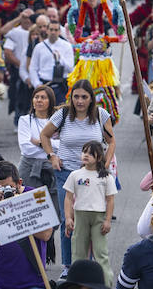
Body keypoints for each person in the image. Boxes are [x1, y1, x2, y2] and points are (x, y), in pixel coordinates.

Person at [40, 79, 115, 272]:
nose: (80, 101)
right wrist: (52, 156)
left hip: (92, 175)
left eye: (84, 97)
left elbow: (111, 141)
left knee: (87, 218)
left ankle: (85, 263)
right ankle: (68, 265)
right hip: (66, 173)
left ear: (91, 99)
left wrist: (104, 166)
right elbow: (44, 135)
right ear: (71, 98)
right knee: (68, 219)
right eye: (76, 97)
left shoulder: (100, 115)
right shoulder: (63, 114)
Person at [0, 161, 56, 289]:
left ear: (19, 183)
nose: (4, 192)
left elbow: (46, 235)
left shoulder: (33, 197)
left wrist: (19, 208)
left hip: (32, 286)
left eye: (8, 187)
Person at [61, 140, 117, 285]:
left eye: (91, 154)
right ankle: (76, 283)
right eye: (84, 152)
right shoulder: (75, 175)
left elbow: (110, 200)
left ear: (99, 158)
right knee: (78, 252)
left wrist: (108, 220)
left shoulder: (106, 177)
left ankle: (106, 283)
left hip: (98, 217)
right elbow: (68, 198)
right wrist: (68, 218)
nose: (86, 155)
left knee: (100, 252)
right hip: (80, 216)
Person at [16, 84, 56, 193]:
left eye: (43, 98)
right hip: (28, 168)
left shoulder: (57, 121)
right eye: (36, 97)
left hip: (53, 166)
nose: (39, 100)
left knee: (55, 205)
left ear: (50, 101)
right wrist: (50, 147)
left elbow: (63, 145)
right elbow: (26, 149)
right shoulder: (25, 120)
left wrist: (39, 143)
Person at [28, 20, 74, 105]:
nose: (53, 32)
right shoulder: (39, 47)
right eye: (51, 29)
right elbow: (33, 67)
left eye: (56, 30)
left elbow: (70, 68)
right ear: (47, 30)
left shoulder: (66, 46)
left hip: (61, 86)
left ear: (59, 32)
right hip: (45, 85)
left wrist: (60, 59)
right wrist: (37, 84)